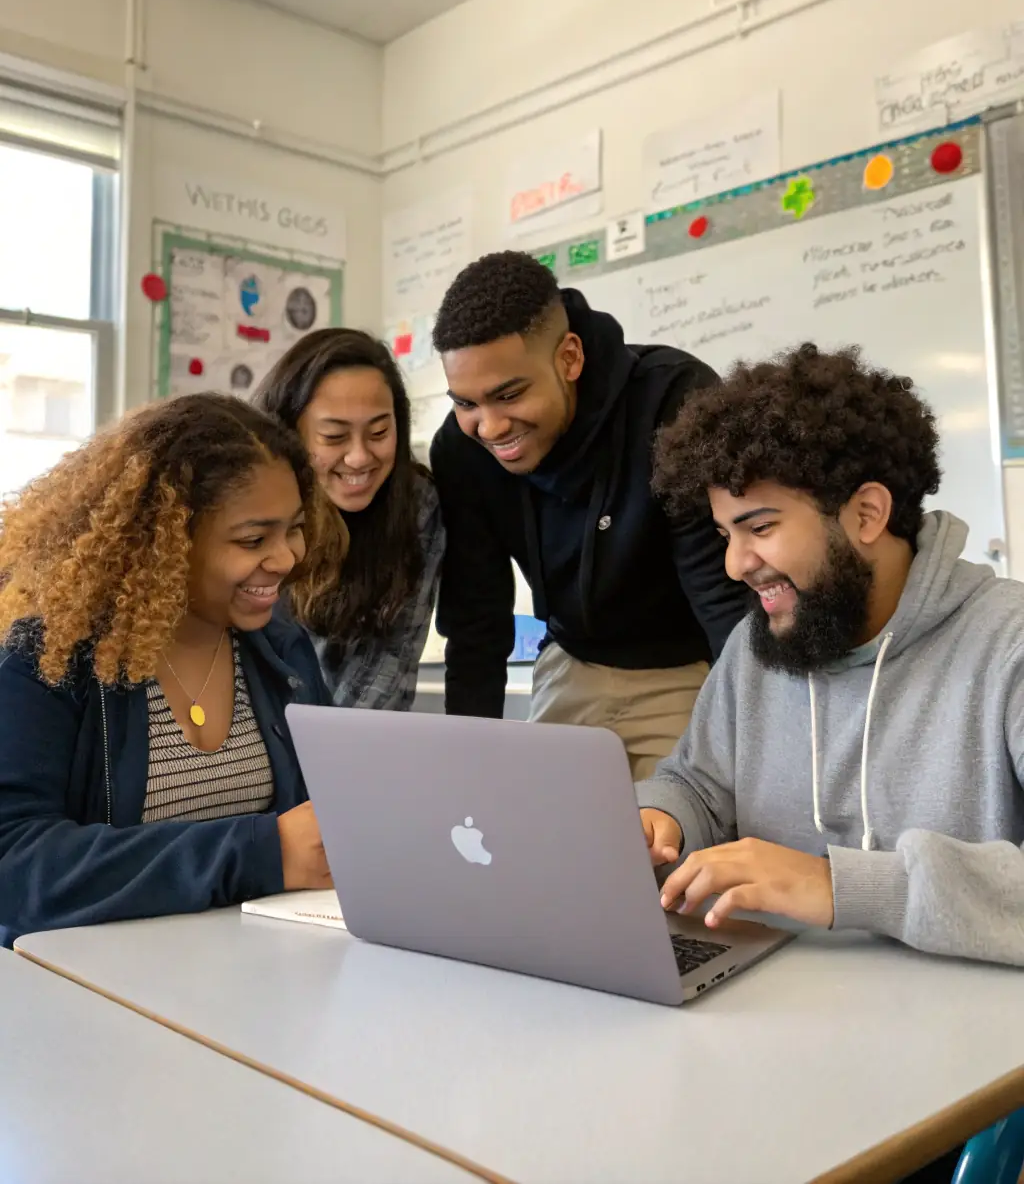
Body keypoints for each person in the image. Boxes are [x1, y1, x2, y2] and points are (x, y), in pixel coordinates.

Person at [637, 342, 1024, 968]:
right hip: (784, 1008)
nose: (736, 564)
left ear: (867, 514)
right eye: (725, 535)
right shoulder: (760, 644)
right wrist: (662, 816)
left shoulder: (1010, 643)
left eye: (760, 529)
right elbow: (699, 783)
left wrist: (841, 887)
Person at [0, 393, 347, 947]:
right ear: (165, 541)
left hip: (263, 978)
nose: (286, 558)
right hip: (93, 988)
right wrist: (262, 851)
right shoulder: (50, 656)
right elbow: (15, 865)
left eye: (295, 529)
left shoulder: (283, 653)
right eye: (253, 540)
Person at [430, 252, 748, 779]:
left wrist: (755, 731)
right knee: (545, 844)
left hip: (686, 669)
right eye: (465, 403)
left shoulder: (674, 402)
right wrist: (470, 762)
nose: (488, 428)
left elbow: (724, 601)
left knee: (671, 848)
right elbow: (475, 615)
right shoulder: (461, 450)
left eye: (508, 395)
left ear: (569, 358)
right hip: (570, 661)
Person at [253, 329, 444, 711]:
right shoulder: (252, 506)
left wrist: (335, 749)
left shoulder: (416, 506)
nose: (359, 457)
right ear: (288, 434)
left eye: (379, 432)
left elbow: (390, 665)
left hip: (355, 741)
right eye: (334, 436)